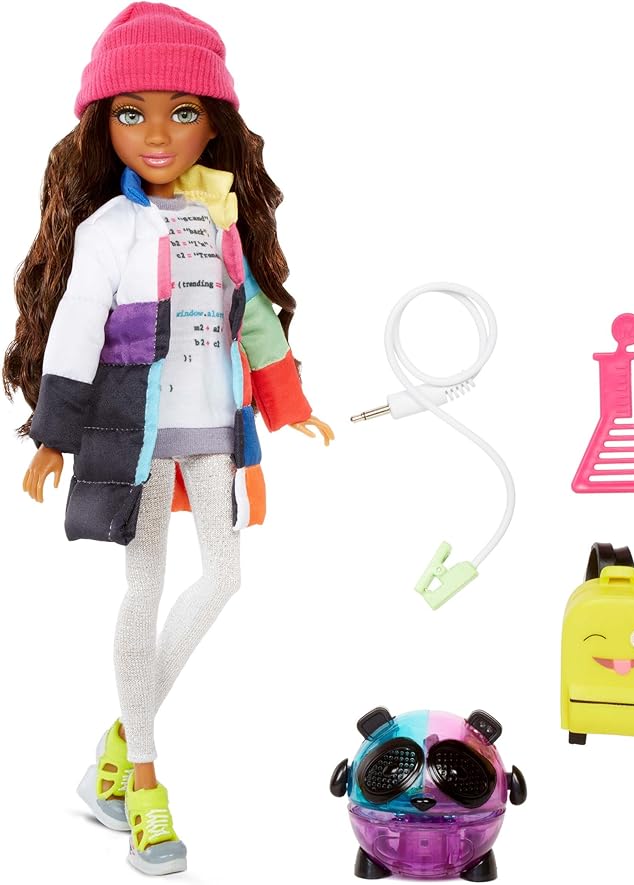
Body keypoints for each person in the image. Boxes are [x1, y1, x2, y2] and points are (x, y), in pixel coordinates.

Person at [2, 2, 333, 875]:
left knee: (224, 576)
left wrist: (287, 403)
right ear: (102, 125)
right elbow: (75, 331)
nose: (156, 134)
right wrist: (52, 434)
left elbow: (251, 317)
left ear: (213, 124)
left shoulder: (219, 220)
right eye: (131, 112)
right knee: (143, 585)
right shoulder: (107, 231)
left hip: (213, 428)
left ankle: (116, 746)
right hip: (138, 434)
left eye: (181, 112)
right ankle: (144, 782)